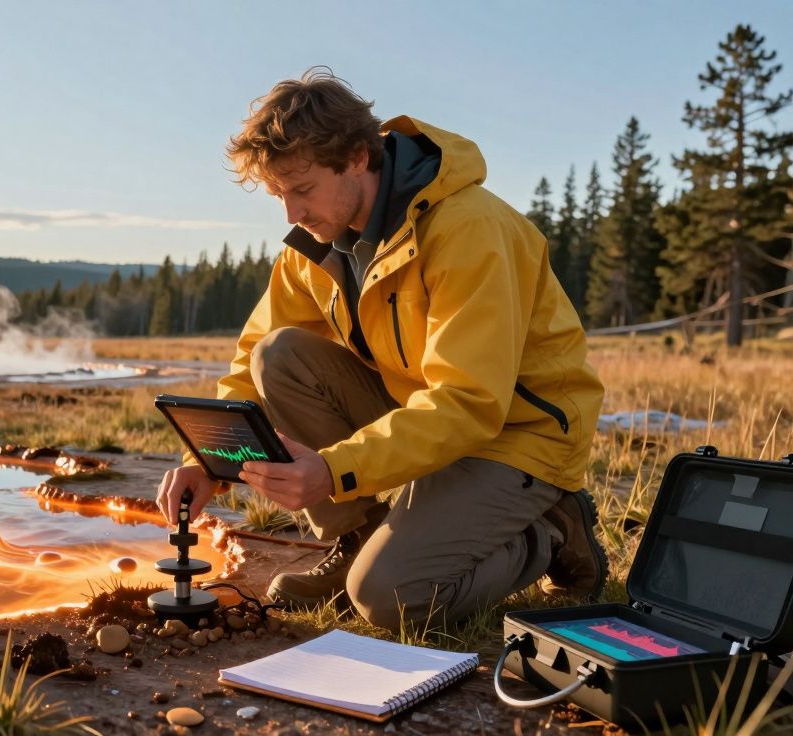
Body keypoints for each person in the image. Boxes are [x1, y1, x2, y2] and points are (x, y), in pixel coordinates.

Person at [156, 67, 607, 630]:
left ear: (357, 158)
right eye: (279, 195)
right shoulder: (315, 246)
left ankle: (550, 529)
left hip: (515, 437)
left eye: (302, 189)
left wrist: (335, 471)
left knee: (391, 598)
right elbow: (253, 359)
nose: (292, 214)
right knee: (280, 355)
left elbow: (469, 402)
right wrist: (207, 459)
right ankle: (359, 539)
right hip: (424, 418)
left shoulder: (468, 229)